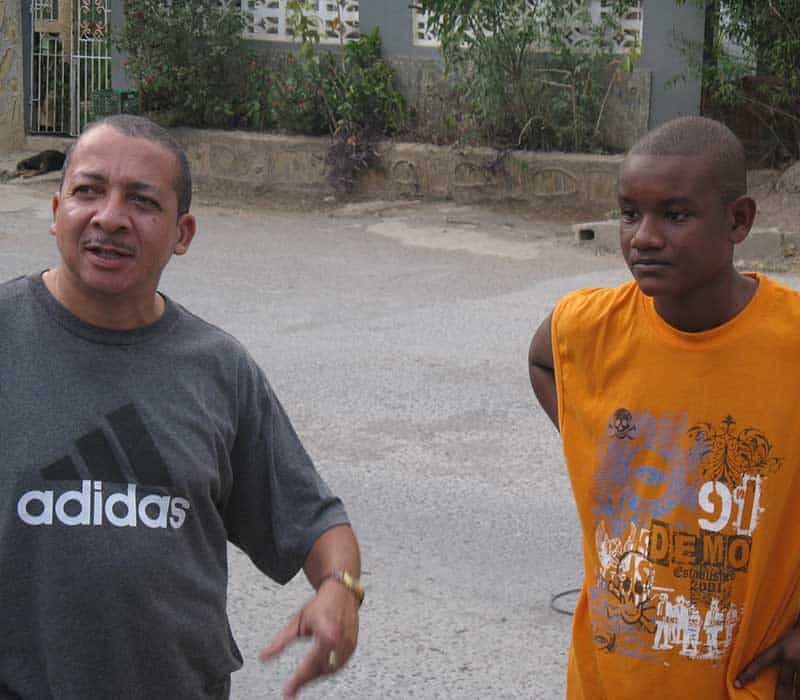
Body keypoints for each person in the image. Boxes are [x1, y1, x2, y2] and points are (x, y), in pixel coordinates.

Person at [0, 114, 362, 699]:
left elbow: (317, 522)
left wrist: (340, 591)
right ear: (55, 211)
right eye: (88, 191)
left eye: (142, 201)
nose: (110, 217)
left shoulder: (217, 369)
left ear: (182, 234)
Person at [528, 115, 800, 698]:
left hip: (743, 679)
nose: (643, 237)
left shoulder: (791, 343)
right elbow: (544, 359)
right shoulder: (592, 325)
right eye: (630, 213)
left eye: (675, 215)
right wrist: (592, 440)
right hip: (611, 677)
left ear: (739, 220)